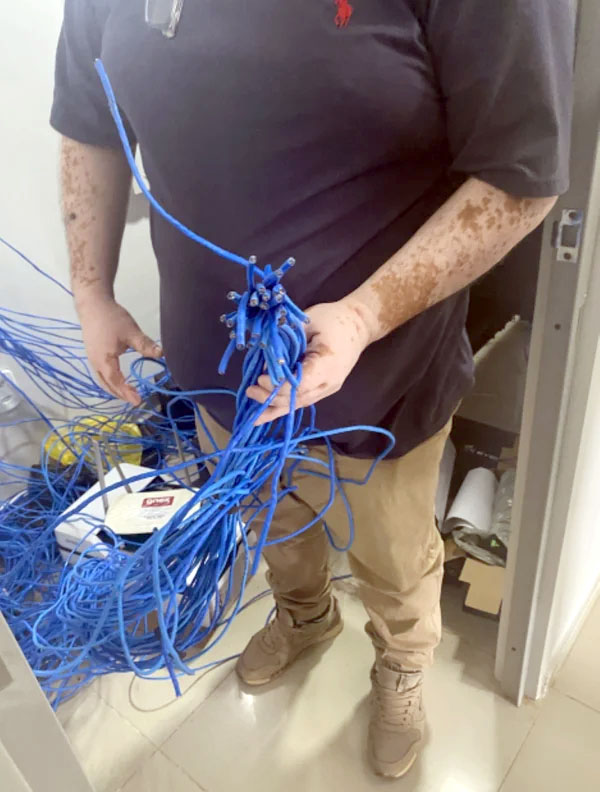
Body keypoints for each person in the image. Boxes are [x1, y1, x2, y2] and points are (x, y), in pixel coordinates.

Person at [52, 0, 574, 778]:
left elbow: (521, 179)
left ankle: (401, 661)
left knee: (393, 555)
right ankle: (305, 615)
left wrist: (364, 316)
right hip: (222, 374)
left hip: (382, 381)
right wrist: (91, 290)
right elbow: (88, 121)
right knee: (273, 521)